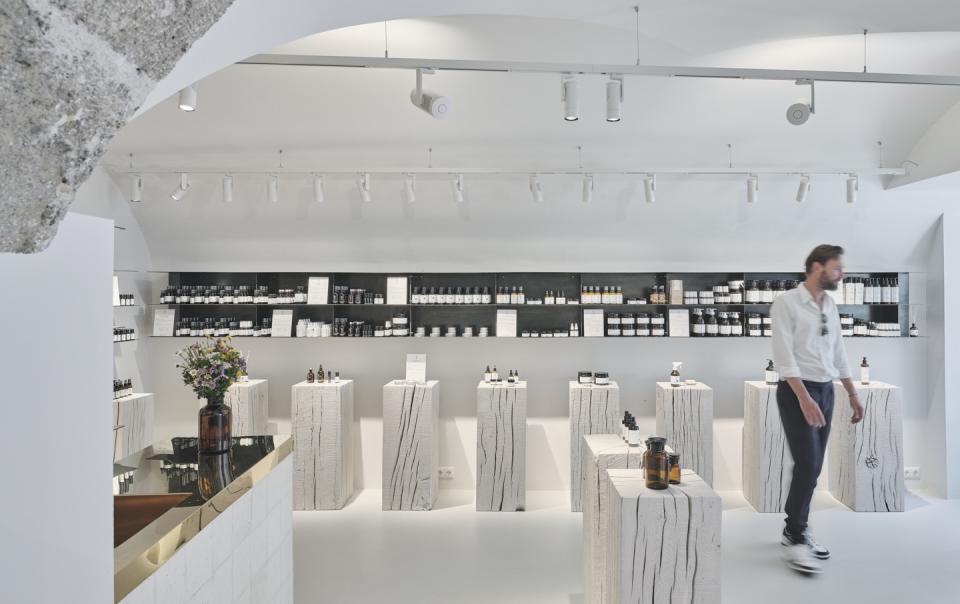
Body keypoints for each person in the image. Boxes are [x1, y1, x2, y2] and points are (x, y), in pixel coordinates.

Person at [770, 244, 864, 574]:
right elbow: (784, 357)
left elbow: (838, 351)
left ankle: (795, 528)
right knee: (807, 463)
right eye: (836, 268)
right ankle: (795, 535)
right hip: (797, 391)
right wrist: (804, 399)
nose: (841, 274)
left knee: (814, 466)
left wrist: (851, 392)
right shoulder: (786, 303)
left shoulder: (830, 305)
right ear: (816, 267)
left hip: (826, 389)